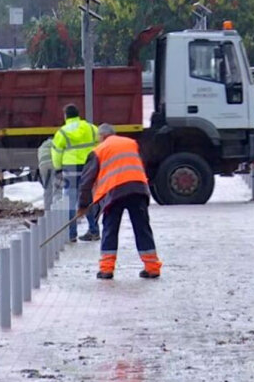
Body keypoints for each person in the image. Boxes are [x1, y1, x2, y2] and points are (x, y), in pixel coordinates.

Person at [78, 124, 162, 280]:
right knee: (142, 228)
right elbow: (141, 164)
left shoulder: (99, 150)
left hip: (114, 193)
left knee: (110, 229)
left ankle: (106, 270)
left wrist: (83, 205)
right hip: (138, 189)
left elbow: (86, 181)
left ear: (102, 137)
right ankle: (152, 268)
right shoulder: (132, 143)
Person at [51, 104, 99, 242]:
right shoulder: (91, 128)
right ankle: (94, 231)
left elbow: (56, 152)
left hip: (70, 168)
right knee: (88, 199)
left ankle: (71, 234)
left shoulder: (62, 132)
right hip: (88, 167)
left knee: (70, 201)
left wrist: (58, 168)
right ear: (78, 114)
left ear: (66, 116)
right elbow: (100, 144)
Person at [37, 138, 56, 210]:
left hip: (43, 166)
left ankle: (47, 209)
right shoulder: (57, 142)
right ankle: (56, 210)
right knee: (57, 189)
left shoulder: (42, 145)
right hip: (52, 164)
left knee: (47, 188)